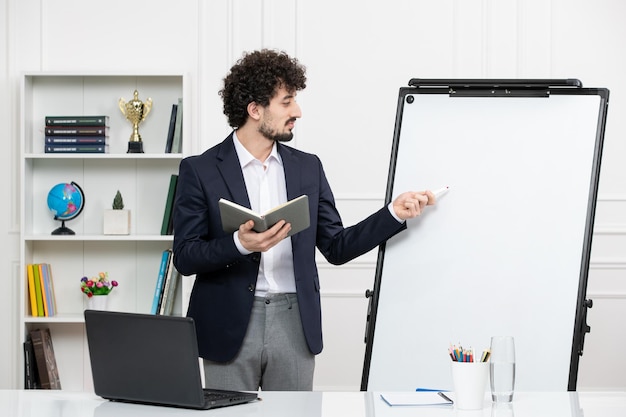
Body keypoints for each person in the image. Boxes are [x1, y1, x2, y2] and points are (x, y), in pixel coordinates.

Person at [172, 49, 436, 392]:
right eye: (286, 102)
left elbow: (337, 247)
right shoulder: (200, 169)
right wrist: (240, 244)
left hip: (294, 321)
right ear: (255, 110)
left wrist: (393, 213)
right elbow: (186, 256)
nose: (296, 112)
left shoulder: (307, 167)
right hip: (228, 322)